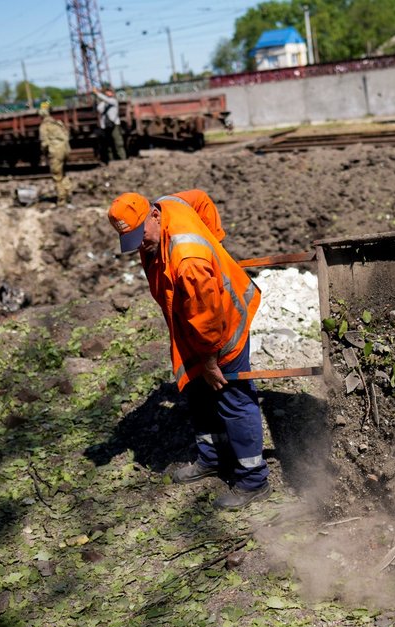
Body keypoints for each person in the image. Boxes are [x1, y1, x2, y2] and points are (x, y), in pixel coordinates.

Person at [106, 190, 271, 509]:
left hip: (222, 322)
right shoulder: (169, 205)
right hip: (192, 318)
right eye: (132, 239)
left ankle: (253, 480)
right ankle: (212, 456)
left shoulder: (188, 259)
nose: (140, 244)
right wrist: (216, 242)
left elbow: (208, 318)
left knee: (231, 394)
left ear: (154, 215)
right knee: (198, 388)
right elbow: (199, 198)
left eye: (141, 235)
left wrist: (210, 361)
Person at [38, 101, 73, 206]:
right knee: (64, 173)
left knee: (57, 177)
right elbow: (66, 135)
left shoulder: (44, 126)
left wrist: (45, 154)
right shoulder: (58, 123)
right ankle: (68, 193)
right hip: (65, 150)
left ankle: (61, 200)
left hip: (55, 153)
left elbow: (44, 143)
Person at [93, 86, 126, 162]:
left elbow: (107, 100)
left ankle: (122, 159)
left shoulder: (113, 101)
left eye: (109, 91)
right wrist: (97, 98)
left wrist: (97, 93)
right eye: (107, 92)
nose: (108, 93)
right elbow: (99, 109)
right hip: (105, 125)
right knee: (108, 143)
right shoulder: (103, 103)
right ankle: (111, 160)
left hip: (114, 124)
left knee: (118, 143)